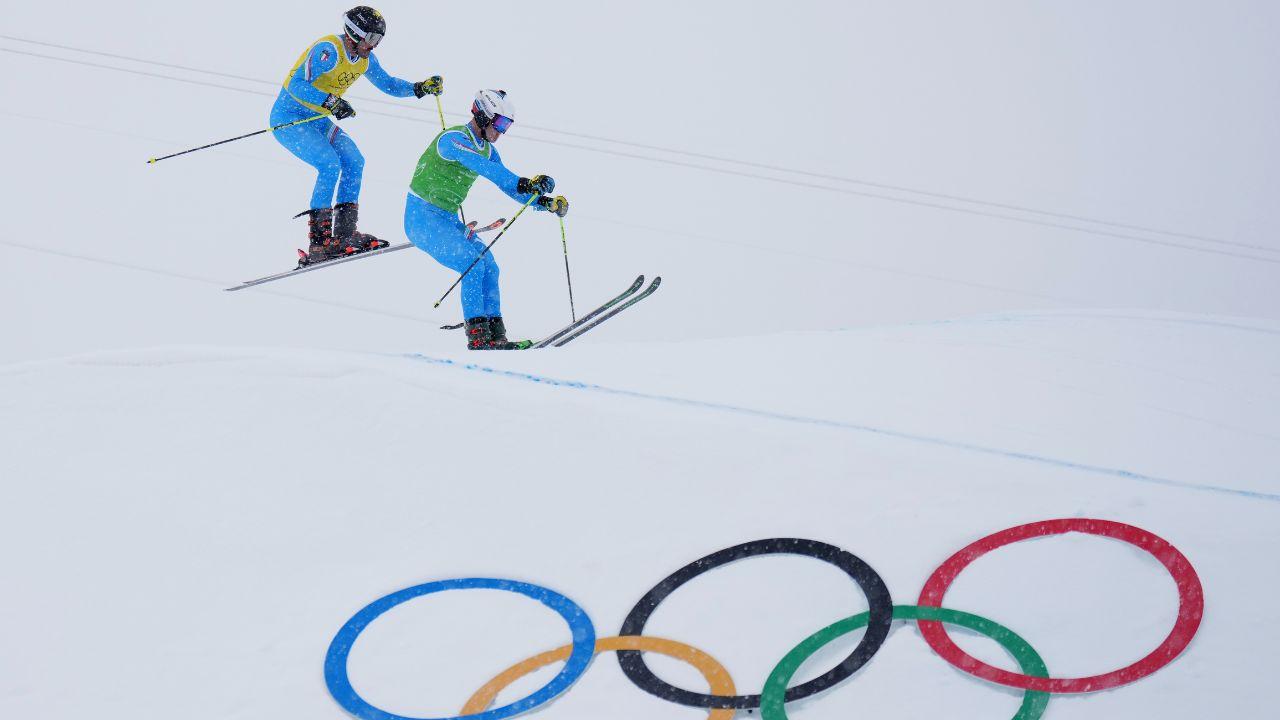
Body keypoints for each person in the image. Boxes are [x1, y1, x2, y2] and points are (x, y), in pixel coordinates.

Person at [272, 6, 444, 265]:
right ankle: (319, 243)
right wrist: (331, 102)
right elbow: (296, 84)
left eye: (379, 40)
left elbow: (389, 84)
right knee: (329, 164)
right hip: (289, 118)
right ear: (354, 33)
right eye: (372, 39)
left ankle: (343, 235)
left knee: (354, 160)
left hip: (316, 119)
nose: (374, 46)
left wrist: (419, 88)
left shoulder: (364, 60)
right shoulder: (328, 51)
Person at [405, 89, 569, 350]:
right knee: (473, 265)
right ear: (483, 116)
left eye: (507, 125)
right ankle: (479, 339)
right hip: (422, 218)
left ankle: (496, 336)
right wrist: (525, 183)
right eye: (501, 123)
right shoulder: (452, 140)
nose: (502, 131)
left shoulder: (488, 150)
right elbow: (488, 171)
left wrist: (543, 202)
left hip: (446, 219)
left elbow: (506, 183)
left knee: (490, 267)